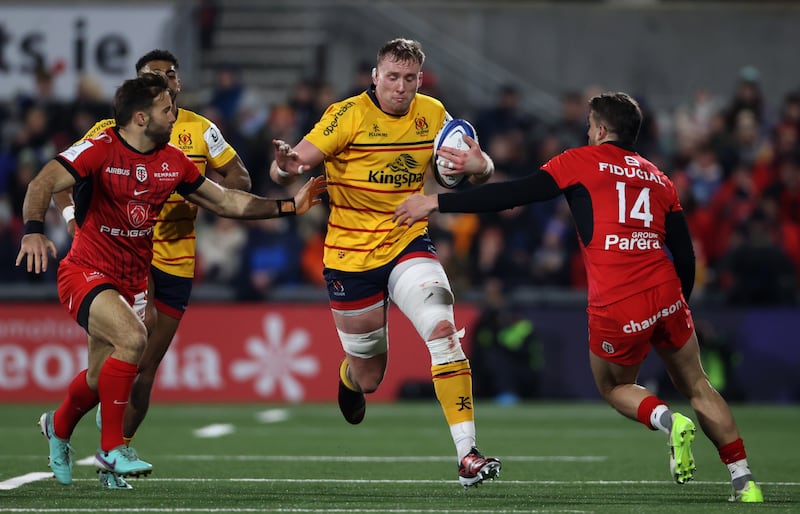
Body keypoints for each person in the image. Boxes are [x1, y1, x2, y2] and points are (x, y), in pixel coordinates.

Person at [394, 92, 763, 503]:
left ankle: (667, 420)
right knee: (699, 385)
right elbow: (687, 253)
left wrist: (436, 202)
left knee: (614, 386)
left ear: (602, 130)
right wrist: (680, 302)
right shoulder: (660, 179)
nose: (588, 132)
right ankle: (744, 481)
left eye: (590, 126)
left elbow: (512, 195)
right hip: (667, 291)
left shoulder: (579, 162)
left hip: (617, 299)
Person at [17, 73, 325, 489]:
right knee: (133, 341)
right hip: (86, 269)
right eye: (168, 110)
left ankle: (58, 425)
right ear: (141, 118)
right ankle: (111, 450)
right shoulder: (100, 148)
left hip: (132, 279)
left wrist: (290, 205)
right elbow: (43, 181)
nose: (175, 116)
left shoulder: (173, 161)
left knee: (99, 376)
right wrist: (34, 229)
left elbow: (227, 200)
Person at [269, 38, 501, 487]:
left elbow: (475, 165)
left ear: (419, 79)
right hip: (349, 255)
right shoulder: (346, 115)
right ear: (375, 77)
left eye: (409, 79)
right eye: (392, 77)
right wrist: (283, 167)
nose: (400, 87)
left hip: (407, 242)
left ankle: (467, 455)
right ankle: (349, 377)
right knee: (370, 375)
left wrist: (482, 163)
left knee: (442, 331)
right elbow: (293, 163)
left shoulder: (433, 114)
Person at [52, 49, 254, 485]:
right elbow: (59, 179)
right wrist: (71, 221)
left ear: (178, 83)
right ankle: (104, 449)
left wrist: (195, 195)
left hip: (174, 262)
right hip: (113, 259)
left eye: (170, 75)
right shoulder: (110, 131)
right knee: (117, 357)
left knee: (142, 368)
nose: (165, 81)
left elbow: (239, 181)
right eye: (153, 76)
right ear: (140, 87)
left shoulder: (202, 131)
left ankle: (107, 451)